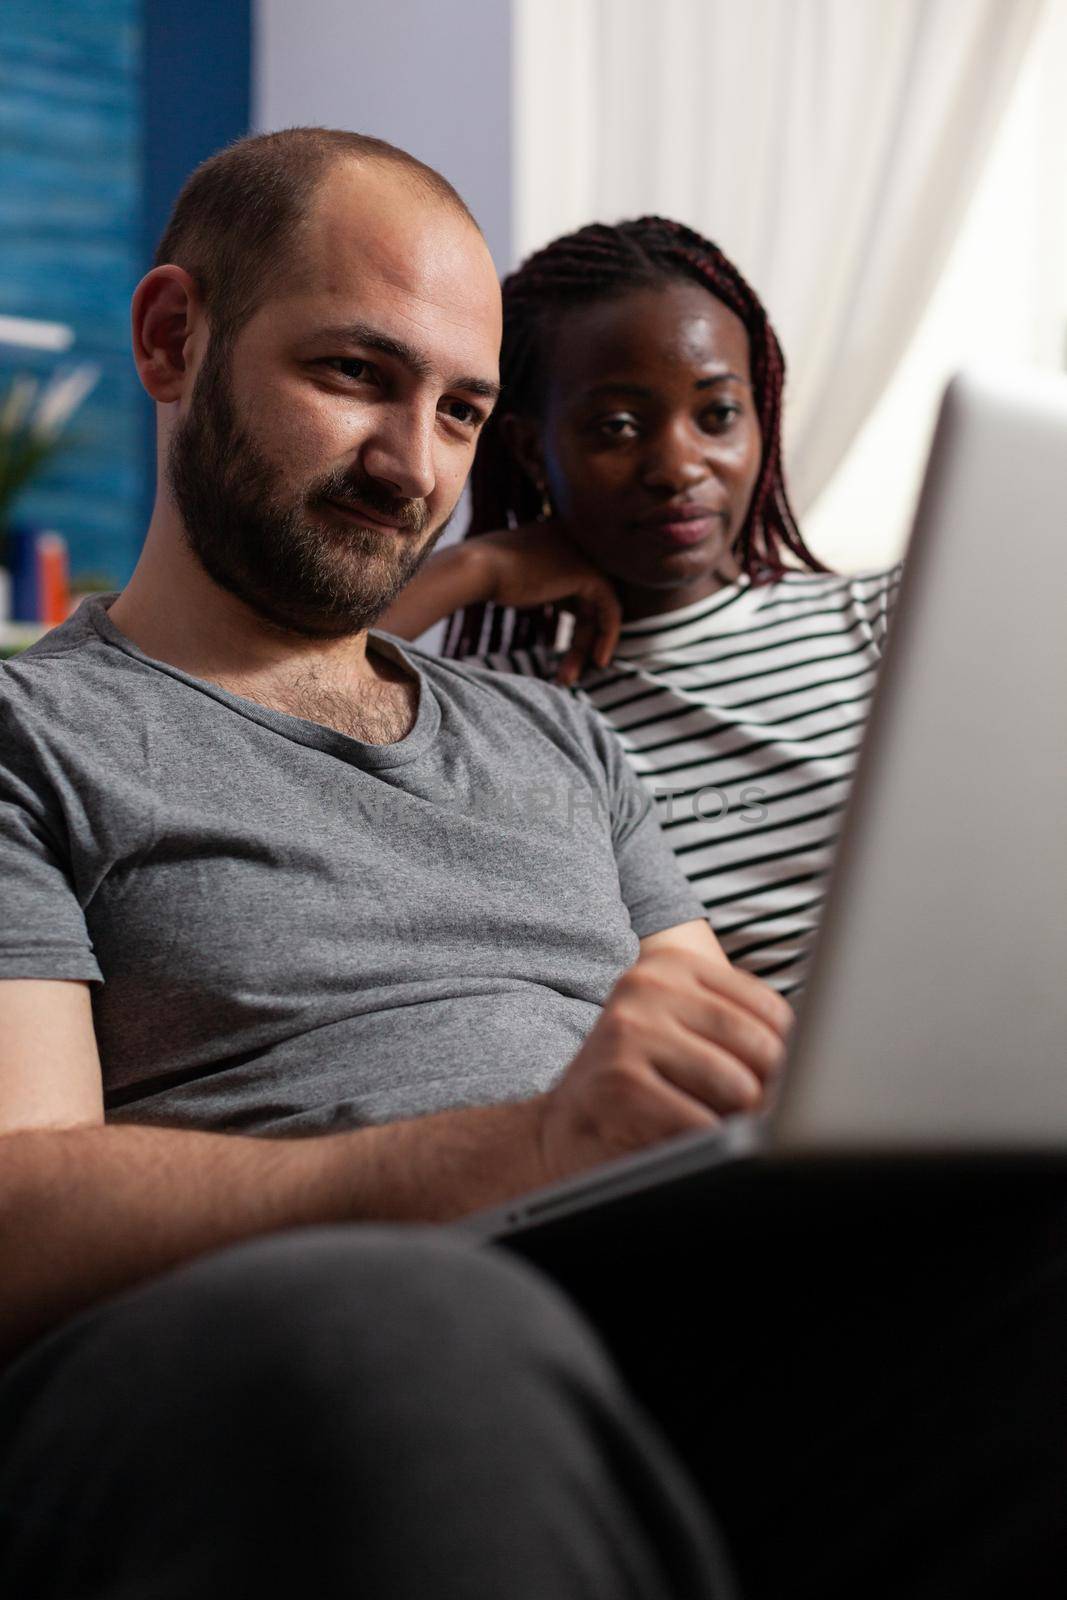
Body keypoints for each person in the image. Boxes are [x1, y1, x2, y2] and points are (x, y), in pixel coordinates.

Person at [0, 130, 1064, 1600]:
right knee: (402, 1335)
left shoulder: (560, 746)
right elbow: (14, 1209)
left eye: (460, 412)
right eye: (355, 377)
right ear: (174, 338)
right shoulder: (31, 734)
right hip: (282, 1346)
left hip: (656, 1306)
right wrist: (509, 1152)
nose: (408, 467)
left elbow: (700, 1063)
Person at [380, 219, 901, 997]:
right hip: (754, 1103)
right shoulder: (508, 708)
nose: (678, 465)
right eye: (617, 428)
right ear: (530, 450)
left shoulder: (891, 626)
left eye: (718, 415)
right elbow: (286, 700)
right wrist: (475, 566)